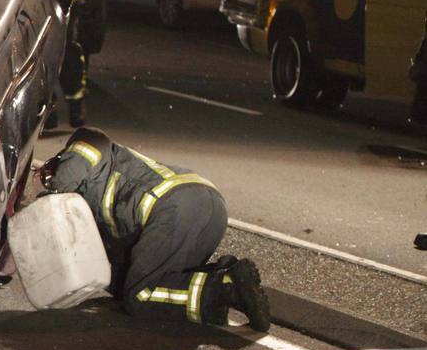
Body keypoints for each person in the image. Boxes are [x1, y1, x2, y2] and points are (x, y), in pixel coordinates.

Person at [39, 127, 271, 330]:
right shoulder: (96, 197)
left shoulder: (82, 148)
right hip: (208, 206)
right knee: (156, 281)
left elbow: (64, 180)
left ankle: (224, 290)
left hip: (173, 207)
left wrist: (44, 200)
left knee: (141, 295)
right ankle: (230, 278)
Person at [49, 0, 99, 128]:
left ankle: (76, 108)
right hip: (37, 2)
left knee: (69, 55)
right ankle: (47, 114)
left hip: (66, 6)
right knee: (41, 60)